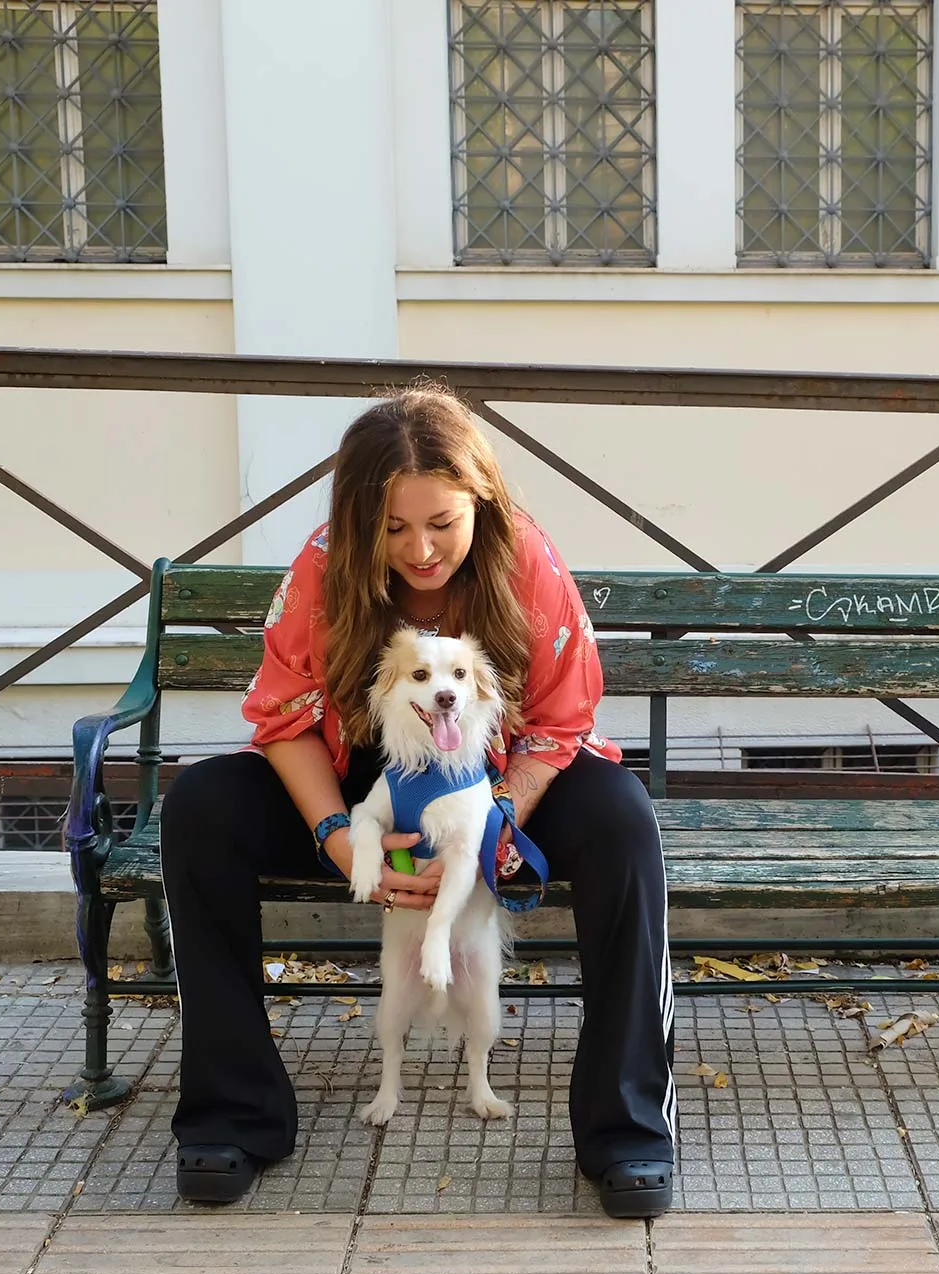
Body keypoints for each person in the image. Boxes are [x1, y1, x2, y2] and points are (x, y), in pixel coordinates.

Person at [156, 386, 676, 1217]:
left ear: (481, 498)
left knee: (623, 819)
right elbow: (282, 715)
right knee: (200, 807)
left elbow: (559, 720)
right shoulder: (324, 564)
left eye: (442, 522)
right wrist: (332, 832)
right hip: (361, 787)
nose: (420, 550)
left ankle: (627, 1128)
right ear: (360, 520)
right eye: (393, 528)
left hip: (500, 782)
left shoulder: (527, 562)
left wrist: (497, 819)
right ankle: (233, 1115)